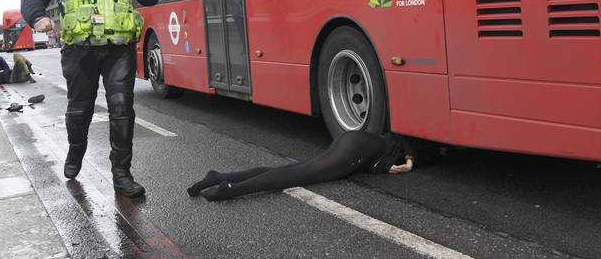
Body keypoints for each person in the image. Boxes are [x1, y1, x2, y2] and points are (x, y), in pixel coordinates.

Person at [21, 0, 159, 197]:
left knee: (122, 108)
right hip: (80, 52)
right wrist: (37, 18)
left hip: (118, 51)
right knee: (80, 109)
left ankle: (122, 174)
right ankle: (75, 150)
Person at [187, 131, 437, 201]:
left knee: (294, 169)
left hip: (353, 142)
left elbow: (377, 163)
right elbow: (411, 143)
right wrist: (410, 164)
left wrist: (386, 167)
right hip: (357, 149)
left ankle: (217, 177)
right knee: (298, 175)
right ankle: (230, 190)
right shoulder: (421, 146)